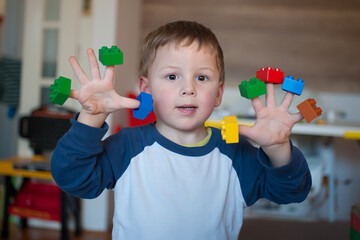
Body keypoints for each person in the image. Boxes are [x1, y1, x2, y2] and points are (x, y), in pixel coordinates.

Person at [51, 21, 311, 240]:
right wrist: (91, 116)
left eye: (202, 77)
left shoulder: (235, 154)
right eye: (172, 76)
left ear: (218, 93)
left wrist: (278, 148)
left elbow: (292, 192)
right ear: (146, 87)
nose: (189, 89)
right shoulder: (128, 146)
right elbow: (73, 178)